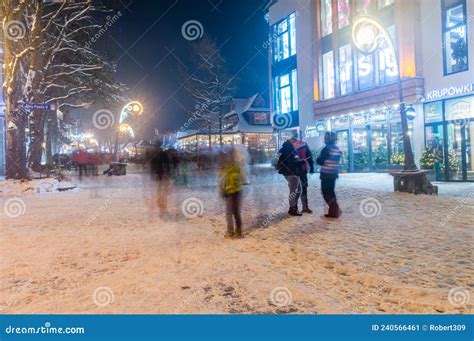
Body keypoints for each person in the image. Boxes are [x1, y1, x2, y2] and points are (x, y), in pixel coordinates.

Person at [316, 131, 342, 218]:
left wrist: (317, 158)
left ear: (328, 139)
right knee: (331, 192)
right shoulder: (337, 149)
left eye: (325, 137)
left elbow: (320, 161)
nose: (324, 139)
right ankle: (333, 212)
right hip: (334, 173)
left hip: (326, 173)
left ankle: (335, 210)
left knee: (326, 193)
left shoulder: (327, 149)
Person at [277, 136, 304, 216]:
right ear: (293, 142)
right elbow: (291, 163)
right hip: (291, 173)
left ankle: (293, 207)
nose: (298, 144)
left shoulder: (288, 149)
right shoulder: (289, 150)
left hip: (291, 172)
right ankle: (293, 209)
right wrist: (301, 162)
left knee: (298, 190)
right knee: (294, 191)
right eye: (297, 143)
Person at [219, 149, 243, 239]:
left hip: (229, 192)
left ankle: (230, 232)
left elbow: (222, 181)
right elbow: (241, 178)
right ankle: (239, 231)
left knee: (229, 213)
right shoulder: (237, 166)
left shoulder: (225, 168)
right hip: (238, 191)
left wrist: (222, 191)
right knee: (236, 212)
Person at [294, 136, 315, 213]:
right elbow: (309, 157)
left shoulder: (303, 145)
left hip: (301, 170)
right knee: (298, 189)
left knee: (302, 188)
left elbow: (309, 156)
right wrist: (312, 167)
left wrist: (312, 167)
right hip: (297, 171)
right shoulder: (300, 145)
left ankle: (303, 207)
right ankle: (296, 207)